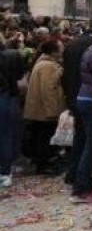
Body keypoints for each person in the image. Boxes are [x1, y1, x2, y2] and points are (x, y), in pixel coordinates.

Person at [69, 35, 92, 201]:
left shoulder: (89, 51)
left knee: (86, 143)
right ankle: (81, 186)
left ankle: (82, 181)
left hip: (82, 97)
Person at [62, 25, 92, 187]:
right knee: (90, 141)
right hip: (90, 96)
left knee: (80, 137)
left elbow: (66, 74)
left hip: (76, 95)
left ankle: (72, 172)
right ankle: (82, 178)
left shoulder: (71, 46)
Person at [23, 40, 64, 175]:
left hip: (38, 107)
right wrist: (52, 111)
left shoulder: (41, 63)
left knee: (40, 135)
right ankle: (43, 164)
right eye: (60, 47)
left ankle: (39, 161)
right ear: (53, 51)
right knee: (44, 137)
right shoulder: (48, 66)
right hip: (44, 110)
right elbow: (48, 89)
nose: (62, 49)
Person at [0, 40, 26, 187]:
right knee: (7, 135)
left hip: (6, 95)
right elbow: (21, 81)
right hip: (7, 97)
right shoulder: (12, 55)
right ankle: (5, 171)